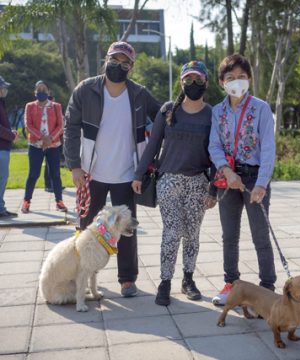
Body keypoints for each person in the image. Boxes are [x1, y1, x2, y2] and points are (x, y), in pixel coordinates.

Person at [64, 41, 160, 298]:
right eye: (114, 60)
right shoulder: (86, 90)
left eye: (125, 62)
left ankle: (127, 279)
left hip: (127, 175)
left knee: (126, 228)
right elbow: (70, 127)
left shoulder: (139, 94)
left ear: (132, 66)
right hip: (91, 172)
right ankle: (81, 275)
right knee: (87, 229)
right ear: (105, 60)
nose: (119, 65)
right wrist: (74, 166)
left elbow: (162, 115)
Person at [132, 60, 217, 306]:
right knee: (172, 232)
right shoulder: (168, 111)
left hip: (198, 183)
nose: (193, 84)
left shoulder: (211, 115)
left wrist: (213, 189)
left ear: (206, 83)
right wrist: (139, 175)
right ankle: (165, 281)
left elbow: (215, 154)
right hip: (169, 180)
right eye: (188, 79)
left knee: (192, 234)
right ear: (181, 83)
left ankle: (188, 279)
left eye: (198, 80)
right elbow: (153, 145)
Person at [208, 54, 277, 305]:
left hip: (254, 177)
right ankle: (231, 284)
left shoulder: (261, 108)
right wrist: (227, 171)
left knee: (260, 235)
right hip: (229, 178)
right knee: (229, 236)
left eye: (242, 77)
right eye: (230, 77)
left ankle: (267, 288)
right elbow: (214, 145)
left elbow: (268, 149)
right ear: (221, 83)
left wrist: (261, 184)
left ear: (249, 79)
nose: (236, 81)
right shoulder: (218, 111)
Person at [21, 81, 67, 213]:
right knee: (33, 174)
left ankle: (59, 202)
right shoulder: (29, 106)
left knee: (55, 174)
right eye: (38, 89)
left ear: (48, 92)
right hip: (36, 145)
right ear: (35, 92)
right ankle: (26, 202)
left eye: (44, 89)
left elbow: (60, 125)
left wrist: (50, 138)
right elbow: (28, 125)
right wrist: (42, 137)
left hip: (53, 145)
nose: (41, 91)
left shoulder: (56, 106)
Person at [0, 76, 18, 218]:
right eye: (3, 87)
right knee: (2, 178)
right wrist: (11, 136)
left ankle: (1, 207)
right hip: (1, 148)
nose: (5, 89)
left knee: (3, 178)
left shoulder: (1, 103)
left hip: (3, 147)